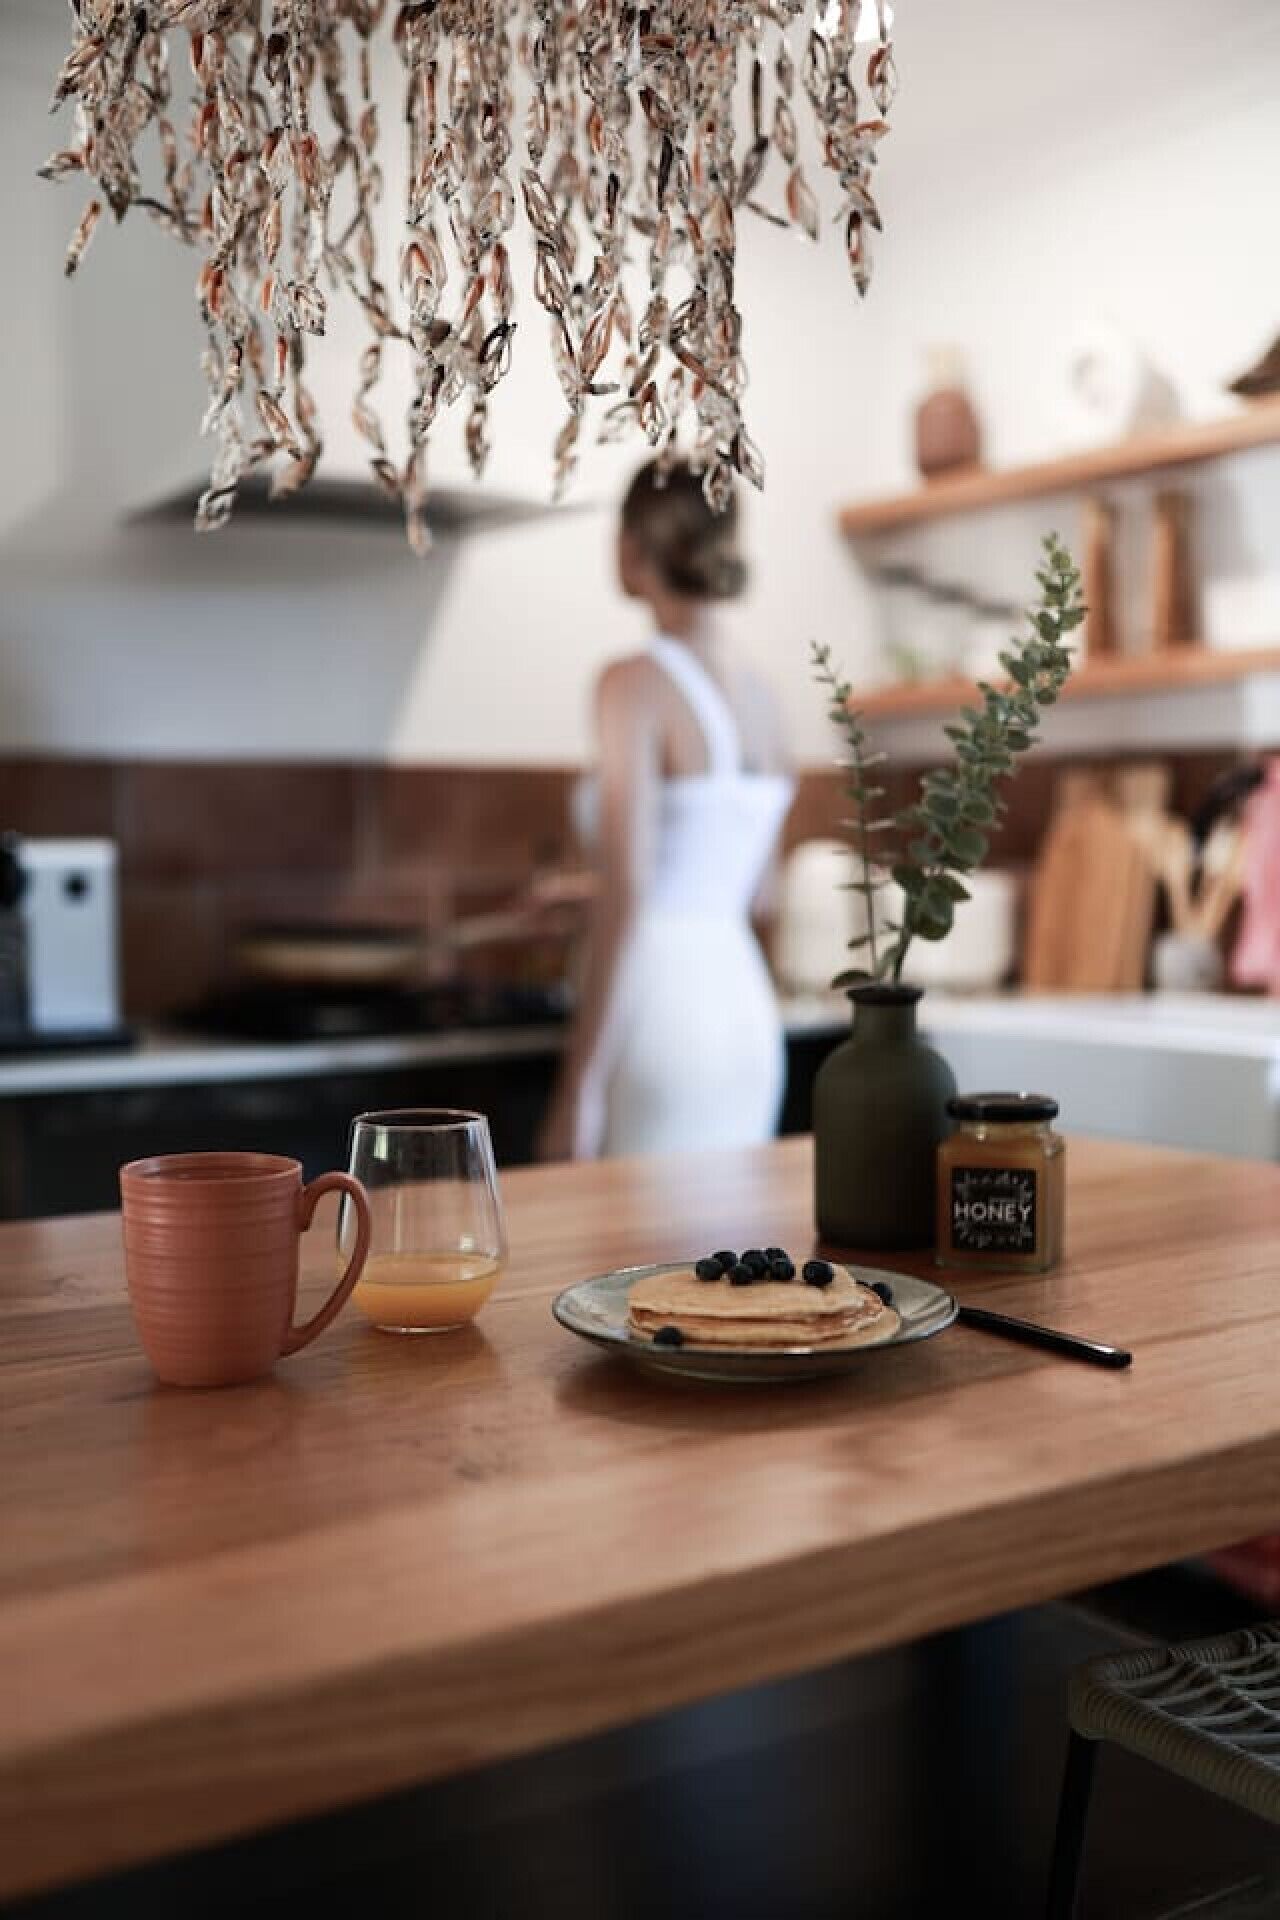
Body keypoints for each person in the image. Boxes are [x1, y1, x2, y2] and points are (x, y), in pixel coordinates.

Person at [539, 459, 794, 1161]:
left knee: (631, 1260)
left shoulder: (632, 683)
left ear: (632, 547)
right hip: (743, 1013)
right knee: (720, 1258)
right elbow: (760, 891)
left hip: (660, 1015)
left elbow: (630, 891)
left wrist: (577, 1089)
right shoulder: (763, 696)